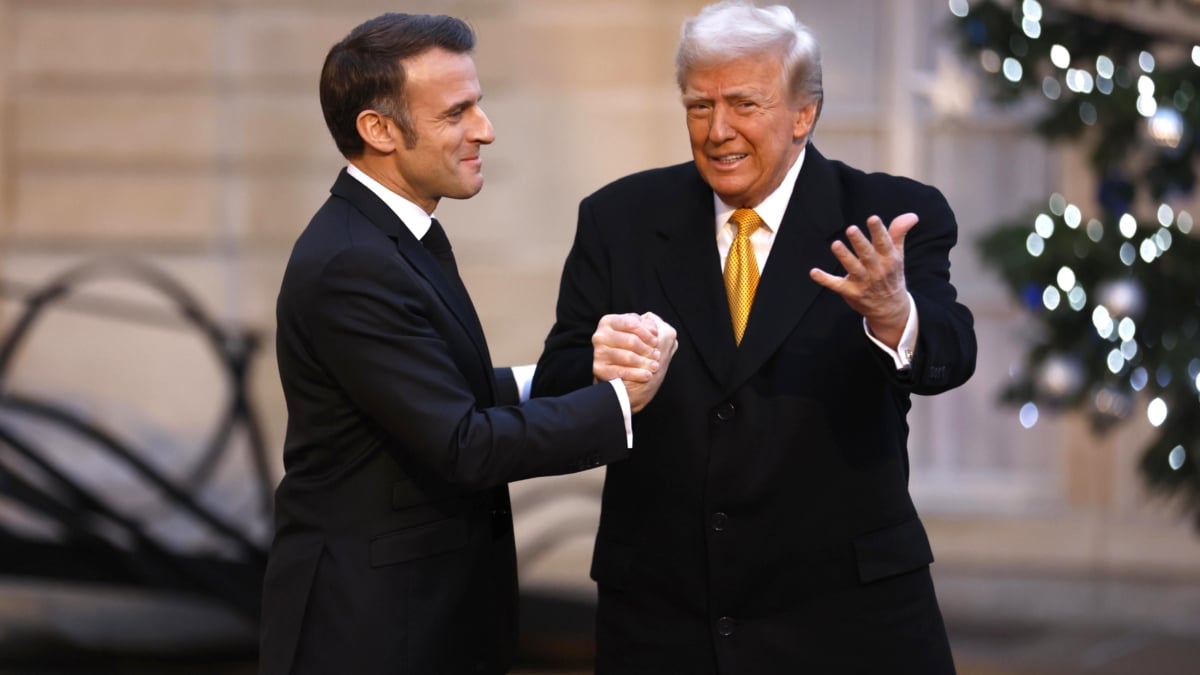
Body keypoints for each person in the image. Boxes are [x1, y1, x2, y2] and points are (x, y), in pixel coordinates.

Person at [532, 1, 978, 673]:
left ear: (804, 113)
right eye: (699, 105)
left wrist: (893, 313)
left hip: (845, 619)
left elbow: (950, 351)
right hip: (663, 618)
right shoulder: (618, 219)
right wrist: (603, 373)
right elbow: (558, 378)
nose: (718, 130)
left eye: (743, 103)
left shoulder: (882, 215)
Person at [258, 12, 675, 675]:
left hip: (423, 618)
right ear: (379, 130)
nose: (485, 128)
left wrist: (585, 371)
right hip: (371, 631)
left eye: (477, 105)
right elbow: (463, 443)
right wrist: (622, 402)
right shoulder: (351, 261)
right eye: (457, 112)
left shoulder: (393, 235)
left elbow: (442, 388)